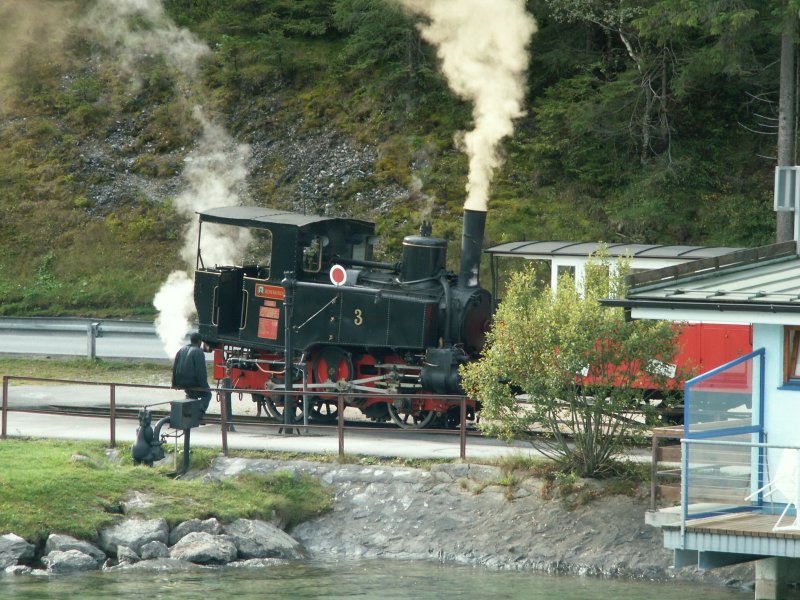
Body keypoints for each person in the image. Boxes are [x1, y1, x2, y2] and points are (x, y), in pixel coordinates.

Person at [171, 332, 212, 414]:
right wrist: (204, 386)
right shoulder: (198, 352)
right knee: (207, 394)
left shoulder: (181, 350)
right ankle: (199, 413)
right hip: (192, 382)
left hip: (180, 382)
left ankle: (188, 411)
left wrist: (174, 383)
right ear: (200, 342)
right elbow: (201, 372)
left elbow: (174, 367)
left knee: (192, 395)